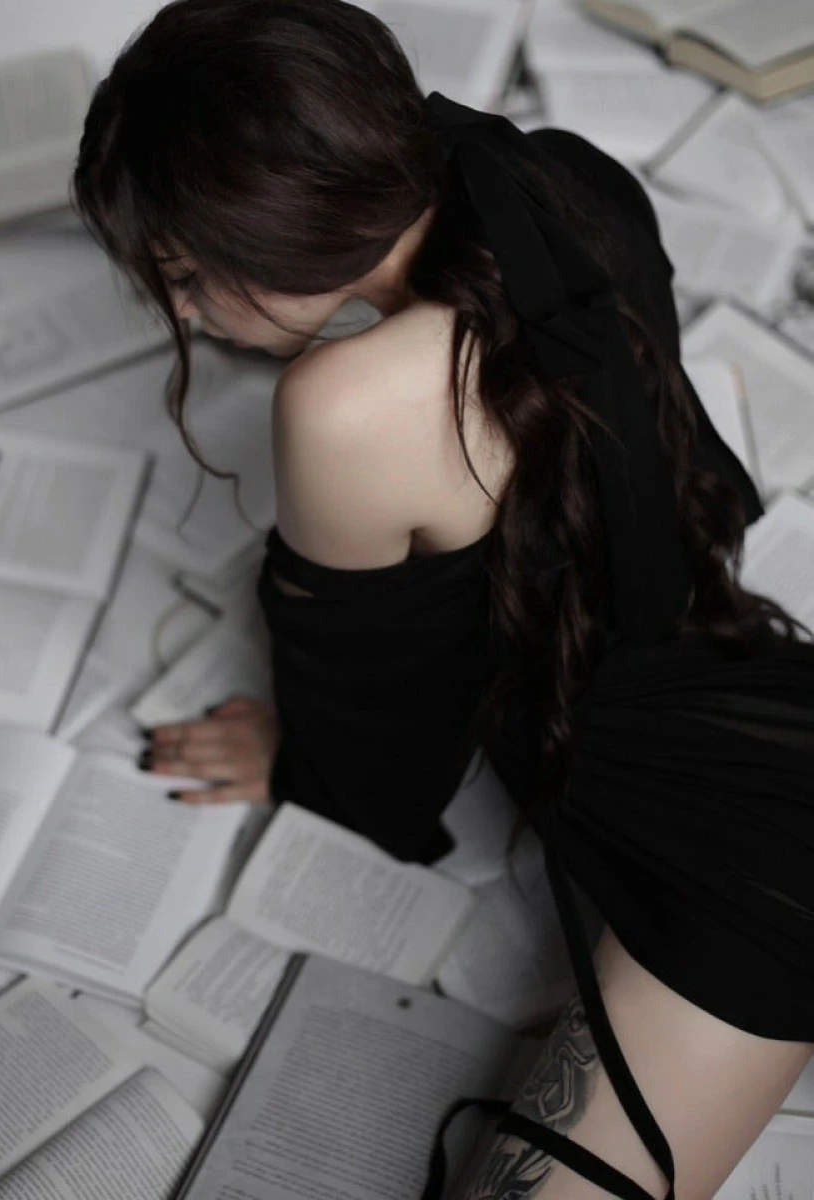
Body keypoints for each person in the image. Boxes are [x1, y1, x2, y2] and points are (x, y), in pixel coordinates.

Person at [73, 2, 814, 1196]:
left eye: (186, 276)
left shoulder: (343, 406)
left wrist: (299, 760)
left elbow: (382, 733)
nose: (191, 315)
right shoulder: (564, 176)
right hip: (758, 725)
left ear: (274, 232)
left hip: (726, 845)